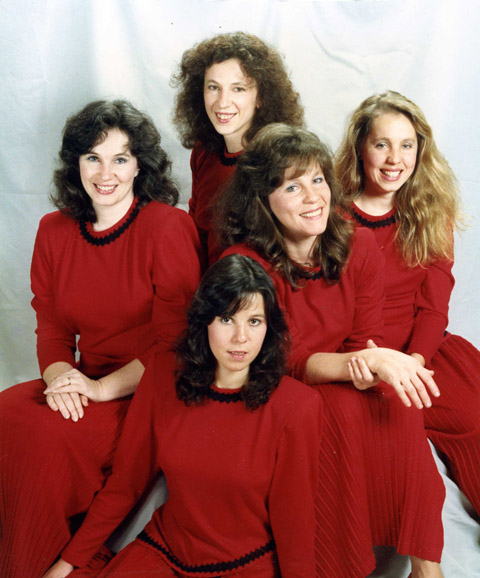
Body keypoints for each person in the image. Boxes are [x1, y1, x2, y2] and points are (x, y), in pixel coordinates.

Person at [217, 123, 446, 578]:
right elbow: (277, 360)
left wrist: (365, 365)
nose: (313, 197)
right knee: (328, 412)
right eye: (293, 186)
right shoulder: (244, 265)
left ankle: (427, 566)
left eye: (318, 180)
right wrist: (359, 364)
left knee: (397, 405)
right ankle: (344, 565)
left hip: (336, 371)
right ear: (263, 200)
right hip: (270, 388)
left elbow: (362, 337)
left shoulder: (357, 243)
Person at [0, 100, 202, 578]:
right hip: (80, 381)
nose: (105, 172)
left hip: (145, 392)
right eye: (93, 157)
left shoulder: (167, 228)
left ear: (140, 165)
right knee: (8, 410)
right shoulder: (54, 231)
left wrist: (98, 390)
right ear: (76, 164)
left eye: (120, 158)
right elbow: (50, 328)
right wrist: (61, 378)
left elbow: (174, 344)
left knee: (46, 438)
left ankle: (36, 564)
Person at [43, 254, 323, 578]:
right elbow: (125, 485)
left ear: (269, 327)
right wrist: (68, 562)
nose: (240, 338)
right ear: (205, 320)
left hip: (243, 567)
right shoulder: (164, 375)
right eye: (227, 319)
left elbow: (295, 523)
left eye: (254, 321)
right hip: (163, 554)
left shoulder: (297, 406)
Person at [336, 90, 480, 516]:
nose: (394, 158)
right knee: (387, 434)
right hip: (360, 355)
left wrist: (416, 360)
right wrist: (379, 363)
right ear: (361, 148)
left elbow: (435, 308)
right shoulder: (330, 217)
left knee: (473, 416)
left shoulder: (431, 214)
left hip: (424, 350)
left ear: (419, 151)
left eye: (406, 145)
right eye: (381, 144)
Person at [171, 31, 304, 265]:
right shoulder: (204, 151)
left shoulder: (279, 161)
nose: (222, 102)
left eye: (238, 89)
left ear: (261, 97)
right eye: (213, 87)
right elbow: (197, 233)